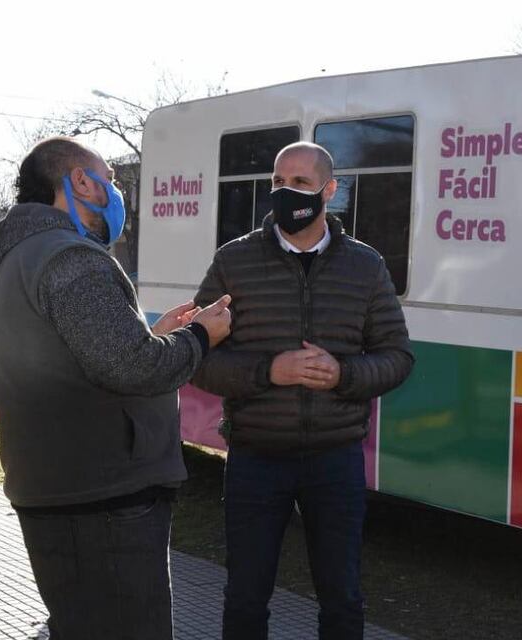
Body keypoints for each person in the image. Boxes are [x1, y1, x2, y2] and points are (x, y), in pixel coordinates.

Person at [0, 136, 233, 639]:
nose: (115, 194)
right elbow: (133, 369)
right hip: (104, 500)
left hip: (59, 492)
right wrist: (202, 335)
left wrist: (151, 337)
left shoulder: (19, 255)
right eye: (111, 181)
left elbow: (82, 356)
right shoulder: (71, 257)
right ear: (80, 181)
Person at [191, 141, 414, 639]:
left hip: (336, 461)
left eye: (300, 184)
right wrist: (271, 370)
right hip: (255, 458)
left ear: (329, 192)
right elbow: (198, 359)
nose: (285, 193)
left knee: (342, 599)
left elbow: (398, 357)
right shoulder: (235, 262)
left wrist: (343, 375)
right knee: (245, 598)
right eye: (277, 182)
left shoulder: (365, 266)